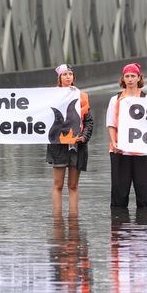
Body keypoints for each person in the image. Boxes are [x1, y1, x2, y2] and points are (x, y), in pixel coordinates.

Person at [106, 62, 147, 210]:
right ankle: (118, 228)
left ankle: (145, 228)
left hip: (141, 151)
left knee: (144, 192)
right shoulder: (115, 99)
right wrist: (114, 142)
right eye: (127, 76)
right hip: (120, 150)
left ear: (139, 78)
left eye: (133, 76)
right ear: (123, 79)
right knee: (119, 193)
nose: (130, 79)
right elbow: (111, 123)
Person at [48, 64, 93, 216]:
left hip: (77, 145)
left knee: (73, 185)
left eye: (70, 74)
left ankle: (74, 220)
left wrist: (84, 137)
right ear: (59, 77)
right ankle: (57, 218)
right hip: (58, 145)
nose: (68, 77)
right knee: (58, 184)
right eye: (64, 74)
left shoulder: (81, 96)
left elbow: (88, 122)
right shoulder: (50, 96)